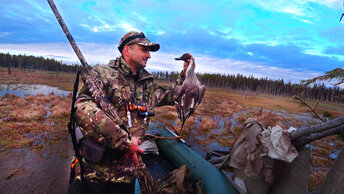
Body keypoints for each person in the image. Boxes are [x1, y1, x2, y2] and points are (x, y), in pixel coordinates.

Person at [68, 31, 194, 194]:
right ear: (127, 50)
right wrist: (124, 142)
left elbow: (175, 96)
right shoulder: (103, 75)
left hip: (127, 174)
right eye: (144, 50)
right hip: (94, 173)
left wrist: (186, 74)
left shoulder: (147, 86)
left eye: (149, 51)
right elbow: (82, 108)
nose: (149, 55)